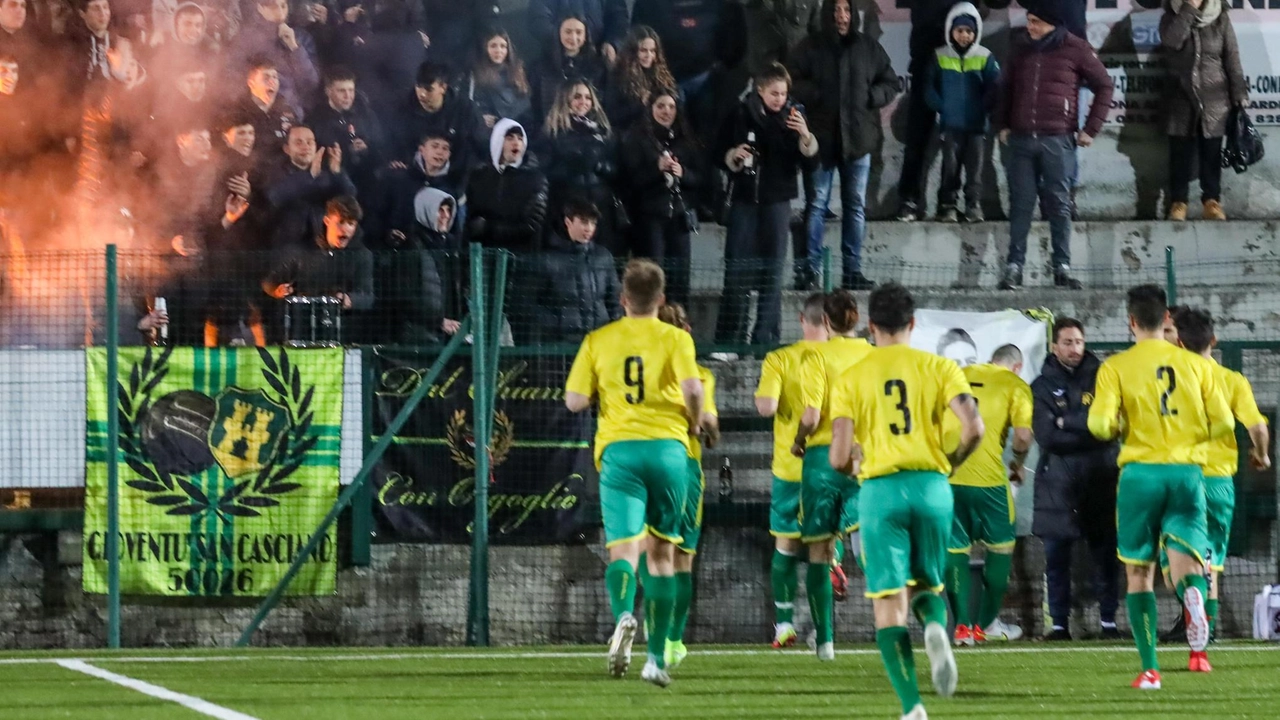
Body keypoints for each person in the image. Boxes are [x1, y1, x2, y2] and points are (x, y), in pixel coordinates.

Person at [828, 282, 983, 720]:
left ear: (871, 327)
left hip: (881, 491)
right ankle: (935, 626)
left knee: (888, 602)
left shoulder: (852, 376)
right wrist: (950, 462)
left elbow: (838, 456)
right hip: (932, 487)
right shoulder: (940, 367)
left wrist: (855, 466)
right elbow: (974, 428)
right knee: (926, 585)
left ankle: (913, 707)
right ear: (912, 324)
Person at [564, 258, 705, 688]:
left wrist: (601, 394)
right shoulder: (676, 338)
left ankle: (624, 614)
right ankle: (656, 659)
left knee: (622, 550)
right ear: (660, 300)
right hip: (668, 451)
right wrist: (694, 423)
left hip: (619, 453)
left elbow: (573, 400)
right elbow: (694, 389)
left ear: (623, 298)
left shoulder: (598, 339)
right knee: (663, 557)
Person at [1086, 284, 1234, 690]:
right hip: (1188, 474)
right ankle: (1193, 596)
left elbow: (1098, 426)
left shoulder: (1115, 366)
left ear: (1132, 321)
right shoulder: (1198, 366)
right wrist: (1188, 439)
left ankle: (1150, 670)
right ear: (1167, 321)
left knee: (1139, 572)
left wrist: (1118, 424)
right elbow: (1223, 423)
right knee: (1187, 562)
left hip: (1140, 475)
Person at [1170, 307, 1269, 670]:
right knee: (1211, 563)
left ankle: (1188, 598)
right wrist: (1261, 456)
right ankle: (1202, 648)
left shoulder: (1170, 380)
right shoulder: (1233, 380)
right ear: (1214, 340)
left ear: (1178, 341)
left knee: (1176, 565)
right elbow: (1257, 428)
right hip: (1219, 483)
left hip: (1179, 477)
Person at [995, 8, 1112, 291]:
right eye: (1028, 20)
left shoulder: (1075, 48)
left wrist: (1091, 129)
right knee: (1020, 205)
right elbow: (1005, 87)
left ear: (1051, 23)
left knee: (1059, 206)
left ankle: (1061, 267)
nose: (1029, 27)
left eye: (1035, 22)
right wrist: (1002, 123)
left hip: (1058, 141)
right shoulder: (1020, 47)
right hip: (1021, 140)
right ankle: (1014, 268)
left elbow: (1105, 85)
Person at [788, 0, 898, 291]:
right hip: (821, 142)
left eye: (846, 10)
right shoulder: (810, 46)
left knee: (855, 207)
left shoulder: (868, 47)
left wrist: (871, 97)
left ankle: (853, 271)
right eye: (836, 11)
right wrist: (815, 93)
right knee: (816, 205)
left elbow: (890, 83)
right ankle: (809, 271)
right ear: (827, 15)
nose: (841, 16)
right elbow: (791, 80)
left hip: (858, 142)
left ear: (854, 14)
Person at [791, 289, 873, 660]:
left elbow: (810, 415)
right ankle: (900, 618)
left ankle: (825, 641)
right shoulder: (874, 356)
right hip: (865, 457)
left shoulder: (816, 356)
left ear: (825, 322)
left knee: (819, 553)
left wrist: (798, 440)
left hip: (823, 459)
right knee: (870, 540)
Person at [1031, 317, 1122, 641]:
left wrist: (1064, 421)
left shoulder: (1102, 378)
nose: (1074, 348)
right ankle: (1058, 624)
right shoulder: (1040, 386)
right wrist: (1085, 429)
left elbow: (1109, 430)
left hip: (1100, 479)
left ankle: (1109, 621)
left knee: (1106, 555)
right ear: (1055, 347)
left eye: (1079, 342)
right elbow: (1046, 437)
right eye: (1067, 342)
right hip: (1057, 484)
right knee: (1057, 558)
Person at [715, 62, 818, 347]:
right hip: (744, 202)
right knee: (736, 272)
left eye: (783, 93)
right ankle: (730, 341)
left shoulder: (794, 117)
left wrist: (805, 137)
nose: (779, 99)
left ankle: (765, 339)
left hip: (777, 203)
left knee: (773, 274)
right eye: (774, 93)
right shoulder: (739, 113)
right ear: (759, 90)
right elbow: (716, 153)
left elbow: (811, 165)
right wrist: (733, 155)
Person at [640, 301, 719, 670]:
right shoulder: (700, 376)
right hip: (684, 466)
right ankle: (673, 641)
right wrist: (703, 427)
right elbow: (710, 425)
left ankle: (649, 626)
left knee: (651, 551)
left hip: (643, 462)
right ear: (685, 333)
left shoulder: (644, 370)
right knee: (682, 558)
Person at [755, 292, 829, 650]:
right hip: (835, 465)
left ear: (803, 320)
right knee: (825, 546)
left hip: (790, 466)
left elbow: (766, 407)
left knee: (785, 544)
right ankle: (822, 630)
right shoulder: (849, 358)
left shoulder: (780, 358)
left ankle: (784, 624)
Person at [945, 344, 1033, 646]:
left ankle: (961, 628)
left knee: (956, 550)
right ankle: (985, 625)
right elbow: (1022, 436)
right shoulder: (1016, 385)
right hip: (991, 483)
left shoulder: (958, 374)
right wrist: (1017, 464)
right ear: (1016, 367)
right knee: (1001, 550)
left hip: (950, 477)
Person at [1160, 0, 1246, 221]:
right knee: (1180, 153)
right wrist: (1188, 10)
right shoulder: (1171, 15)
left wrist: (1239, 92)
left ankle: (1212, 201)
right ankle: (1178, 203)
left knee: (1211, 152)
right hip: (1181, 95)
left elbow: (1232, 57)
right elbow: (1172, 42)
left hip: (1214, 98)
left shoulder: (1220, 17)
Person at [618, 90, 700, 306]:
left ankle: (678, 321)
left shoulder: (687, 139)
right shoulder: (637, 138)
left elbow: (700, 179)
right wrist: (657, 169)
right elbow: (630, 180)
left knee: (680, 275)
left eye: (671, 107)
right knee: (653, 274)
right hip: (650, 217)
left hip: (680, 216)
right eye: (661, 106)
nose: (667, 111)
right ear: (650, 109)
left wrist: (683, 173)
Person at [924, 2, 999, 224]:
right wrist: (941, 106)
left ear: (975, 32)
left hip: (976, 126)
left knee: (975, 169)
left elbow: (995, 87)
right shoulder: (939, 55)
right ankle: (948, 205)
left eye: (969, 31)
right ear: (950, 31)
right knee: (950, 168)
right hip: (950, 125)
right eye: (959, 31)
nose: (964, 35)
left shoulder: (985, 56)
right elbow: (928, 87)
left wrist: (984, 107)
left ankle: (973, 205)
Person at [261, 195, 374, 342]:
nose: (345, 228)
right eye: (341, 222)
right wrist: (278, 290)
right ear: (327, 221)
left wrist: (348, 299)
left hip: (343, 336)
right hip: (302, 333)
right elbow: (269, 282)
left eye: (351, 224)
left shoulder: (362, 255)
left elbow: (367, 296)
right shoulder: (303, 251)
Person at [522, 198, 622, 344]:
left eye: (593, 223)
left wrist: (613, 324)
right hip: (561, 343)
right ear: (568, 222)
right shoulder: (546, 260)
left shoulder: (603, 257)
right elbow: (526, 302)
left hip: (600, 339)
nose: (589, 228)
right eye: (583, 222)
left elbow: (615, 298)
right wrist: (555, 324)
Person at [537, 80, 619, 254]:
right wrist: (570, 168)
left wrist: (601, 167)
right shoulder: (553, 132)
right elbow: (543, 170)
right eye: (577, 97)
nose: (583, 101)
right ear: (566, 100)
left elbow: (617, 168)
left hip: (600, 204)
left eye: (588, 97)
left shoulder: (603, 132)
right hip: (567, 203)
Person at [893, 0, 956, 221]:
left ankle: (949, 201)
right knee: (916, 137)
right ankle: (909, 200)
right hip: (923, 62)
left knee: (954, 140)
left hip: (958, 65)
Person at [393, 62, 486, 189]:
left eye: (429, 89)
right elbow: (395, 144)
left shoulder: (465, 110)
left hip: (455, 183)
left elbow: (480, 145)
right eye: (419, 87)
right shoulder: (403, 109)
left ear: (443, 87)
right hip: (414, 183)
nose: (422, 94)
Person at [466, 119, 549, 252]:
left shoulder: (536, 179)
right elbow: (472, 220)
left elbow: (531, 224)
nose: (516, 142)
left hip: (521, 258)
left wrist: (489, 229)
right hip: (485, 256)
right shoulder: (479, 177)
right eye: (510, 138)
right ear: (498, 141)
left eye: (520, 139)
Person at [264, 124, 358, 239]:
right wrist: (310, 175)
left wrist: (337, 173)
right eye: (299, 143)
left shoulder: (328, 170)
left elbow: (350, 197)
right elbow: (276, 196)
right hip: (289, 242)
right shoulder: (275, 171)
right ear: (287, 149)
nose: (306, 147)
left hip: (323, 238)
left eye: (310, 142)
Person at [227, 0, 319, 113]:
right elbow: (233, 77)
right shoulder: (247, 38)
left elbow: (310, 82)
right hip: (258, 111)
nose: (280, 13)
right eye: (274, 7)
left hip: (295, 112)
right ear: (260, 8)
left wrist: (294, 47)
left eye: (283, 6)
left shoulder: (302, 37)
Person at [308, 67, 386, 199]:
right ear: (328, 91)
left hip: (366, 179)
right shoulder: (315, 120)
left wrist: (366, 147)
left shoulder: (366, 114)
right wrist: (345, 151)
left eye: (351, 90)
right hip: (333, 184)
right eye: (341, 91)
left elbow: (381, 145)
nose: (348, 96)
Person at [530, 16, 606, 121]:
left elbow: (600, 104)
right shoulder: (541, 66)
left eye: (579, 32)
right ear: (558, 33)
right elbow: (535, 104)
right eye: (568, 32)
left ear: (585, 36)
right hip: (551, 128)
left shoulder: (597, 67)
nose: (573, 37)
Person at [605, 26, 676, 131]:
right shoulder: (618, 76)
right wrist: (639, 104)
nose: (649, 55)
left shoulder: (662, 74)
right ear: (633, 51)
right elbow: (612, 115)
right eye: (643, 50)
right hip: (632, 134)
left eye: (652, 51)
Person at [468, 28, 532, 129]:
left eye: (503, 46)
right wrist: (482, 116)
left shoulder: (517, 71)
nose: (499, 51)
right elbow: (474, 102)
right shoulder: (477, 74)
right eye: (493, 46)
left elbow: (524, 103)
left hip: (517, 127)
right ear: (485, 48)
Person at [530, 0, 627, 63]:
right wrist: (566, 43)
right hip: (556, 61)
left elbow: (618, 17)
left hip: (598, 58)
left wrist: (612, 43)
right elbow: (539, 20)